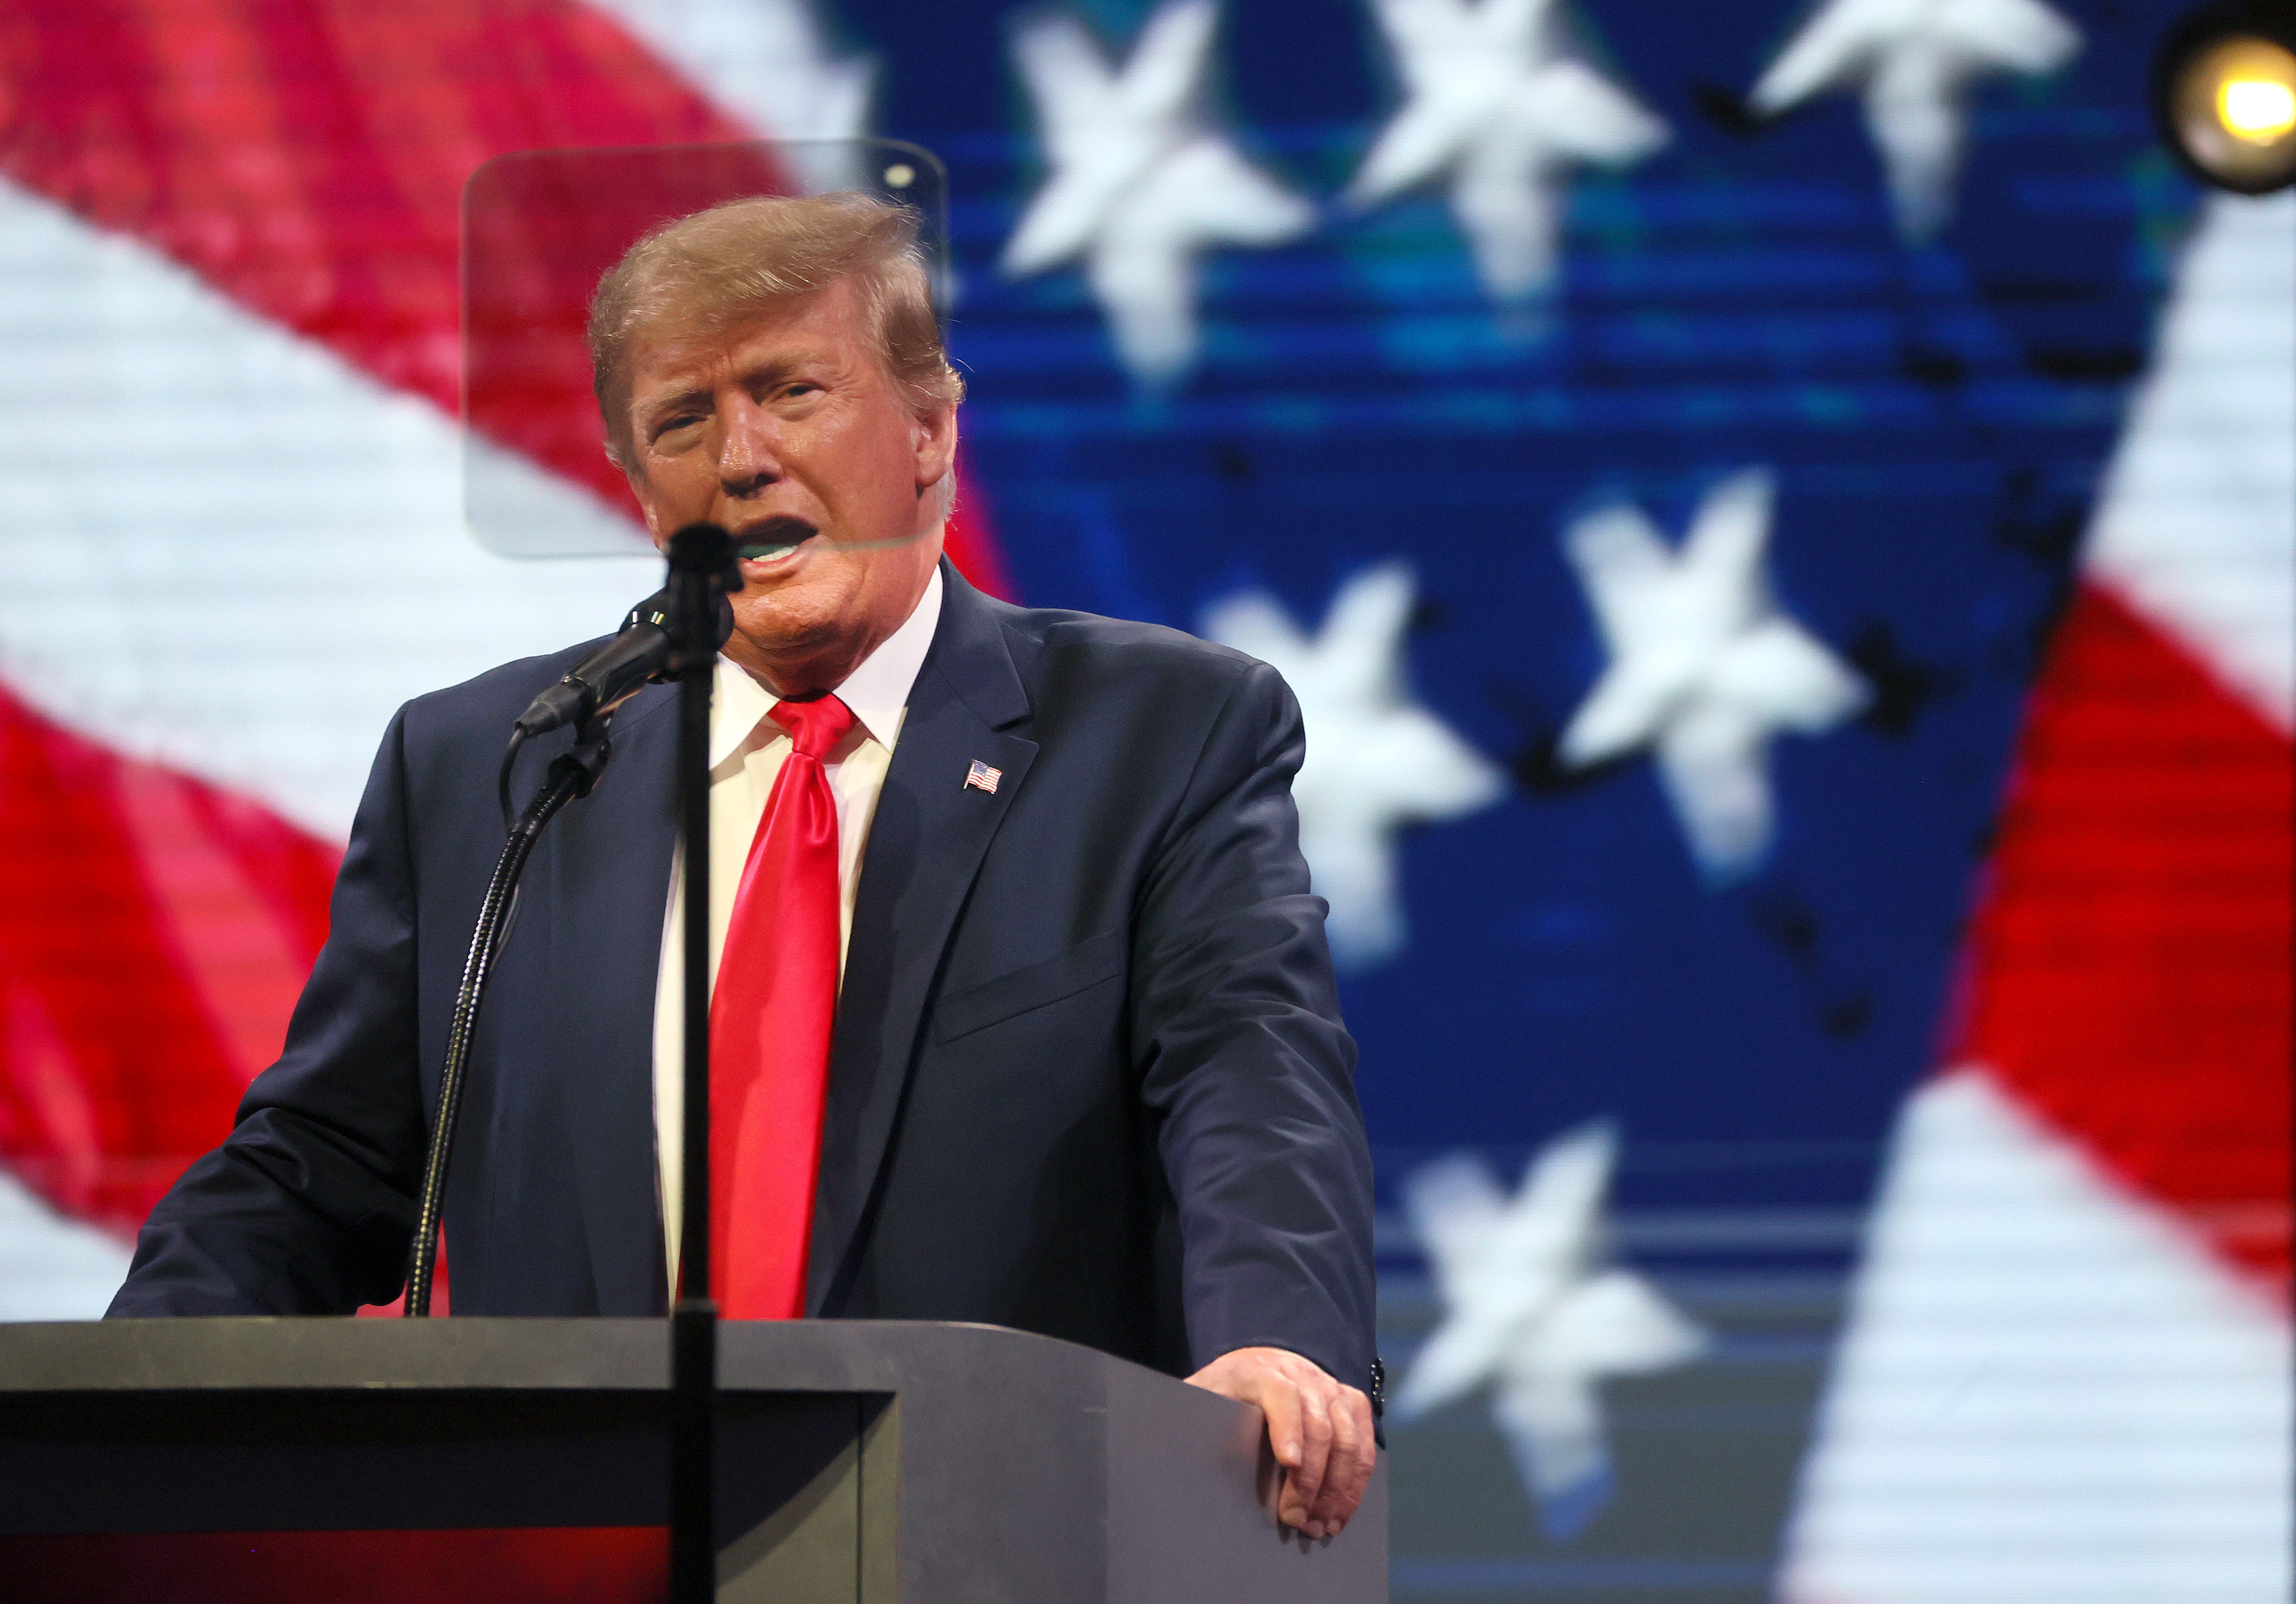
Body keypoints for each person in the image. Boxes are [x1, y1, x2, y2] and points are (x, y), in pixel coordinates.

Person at [109, 193, 1378, 1537]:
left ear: (930, 431)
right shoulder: (500, 766)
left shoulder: (1156, 732)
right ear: (640, 487)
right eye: (682, 421)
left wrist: (1277, 1344)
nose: (744, 458)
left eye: (794, 391)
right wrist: (119, 1384)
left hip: (997, 1537)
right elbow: (322, 1161)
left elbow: (1248, 1069)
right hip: (568, 1546)